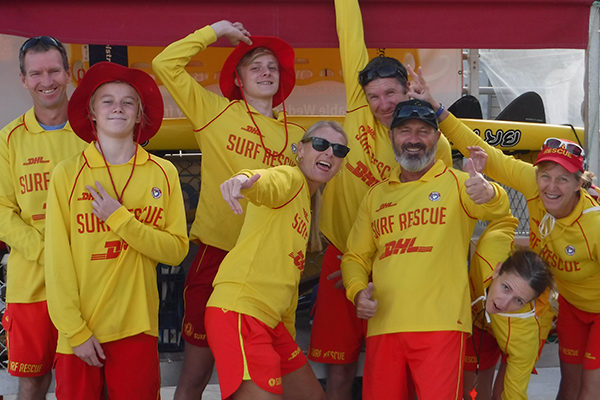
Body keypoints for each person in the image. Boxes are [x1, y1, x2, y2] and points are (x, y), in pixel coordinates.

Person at [409, 67, 600, 400]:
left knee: (590, 388)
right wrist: (437, 110)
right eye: (546, 176)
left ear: (578, 183)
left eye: (563, 179)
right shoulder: (534, 185)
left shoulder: (593, 224)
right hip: (570, 303)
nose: (551, 187)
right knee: (568, 386)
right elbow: (486, 152)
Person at [152, 21, 305, 398]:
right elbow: (164, 64)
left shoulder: (299, 138)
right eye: (255, 67)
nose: (266, 72)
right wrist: (215, 30)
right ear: (238, 79)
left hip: (268, 268)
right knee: (195, 375)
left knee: (263, 378)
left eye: (272, 67)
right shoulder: (215, 112)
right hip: (218, 255)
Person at [308, 1, 453, 397]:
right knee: (339, 370)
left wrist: (375, 270)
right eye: (374, 96)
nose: (383, 104)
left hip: (398, 264)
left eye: (391, 92)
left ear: (409, 90)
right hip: (343, 257)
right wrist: (352, 267)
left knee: (398, 370)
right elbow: (350, 37)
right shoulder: (359, 112)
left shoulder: (425, 141)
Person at [340, 99, 510, 400]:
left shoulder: (459, 183)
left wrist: (490, 191)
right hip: (383, 325)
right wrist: (356, 291)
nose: (414, 139)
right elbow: (355, 256)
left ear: (437, 137)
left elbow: (499, 210)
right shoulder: (375, 195)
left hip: (441, 325)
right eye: (405, 130)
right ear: (392, 136)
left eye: (424, 131)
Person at [44, 62, 189, 399]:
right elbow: (56, 261)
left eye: (128, 102)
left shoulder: (163, 172)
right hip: (80, 329)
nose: (118, 108)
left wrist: (121, 219)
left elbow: (176, 251)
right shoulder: (67, 173)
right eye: (107, 101)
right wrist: (75, 330)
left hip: (136, 325)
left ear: (140, 115)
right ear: (92, 113)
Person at [206, 120, 348, 399]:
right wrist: (243, 180)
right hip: (241, 312)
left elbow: (287, 282)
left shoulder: (306, 204)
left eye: (339, 149)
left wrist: (288, 332)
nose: (330, 152)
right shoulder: (291, 178)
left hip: (273, 323)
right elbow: (268, 181)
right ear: (300, 150)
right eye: (321, 144)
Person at [0, 35, 86, 400]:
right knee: (32, 382)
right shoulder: (8, 140)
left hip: (88, 281)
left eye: (54, 71)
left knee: (85, 384)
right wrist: (46, 251)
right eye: (36, 73)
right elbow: (2, 210)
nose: (46, 81)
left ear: (68, 73)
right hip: (31, 284)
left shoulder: (93, 132)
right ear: (23, 79)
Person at [464, 214, 554, 400]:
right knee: (472, 393)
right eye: (505, 288)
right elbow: (503, 217)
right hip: (480, 321)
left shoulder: (525, 335)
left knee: (502, 394)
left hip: (517, 332)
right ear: (497, 270)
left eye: (519, 300)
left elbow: (515, 393)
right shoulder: (490, 248)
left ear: (530, 302)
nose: (503, 304)